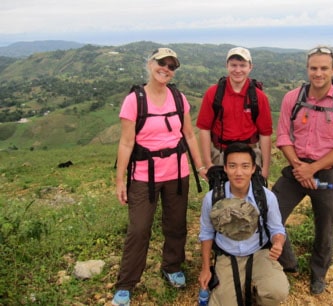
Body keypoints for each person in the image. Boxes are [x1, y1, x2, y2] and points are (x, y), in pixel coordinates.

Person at [112, 48, 208, 305]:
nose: (165, 68)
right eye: (161, 63)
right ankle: (126, 283)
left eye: (171, 65)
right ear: (150, 64)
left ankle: (172, 266)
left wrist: (199, 167)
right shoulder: (134, 99)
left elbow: (189, 135)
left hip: (178, 172)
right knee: (139, 229)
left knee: (176, 224)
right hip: (144, 175)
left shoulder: (178, 98)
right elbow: (125, 142)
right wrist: (120, 180)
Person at [272, 46, 333, 295]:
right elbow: (282, 136)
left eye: (323, 68)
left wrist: (313, 169)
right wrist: (300, 168)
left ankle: (318, 274)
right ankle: (288, 263)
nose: (318, 73)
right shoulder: (293, 98)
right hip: (296, 168)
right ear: (307, 69)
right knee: (270, 213)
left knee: (324, 227)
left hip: (326, 172)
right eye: (313, 68)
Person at [198, 143, 289, 306]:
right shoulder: (212, 198)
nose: (239, 173)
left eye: (245, 166)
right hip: (227, 253)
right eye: (232, 166)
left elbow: (277, 228)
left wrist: (278, 242)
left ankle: (257, 294)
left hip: (259, 252)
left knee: (277, 291)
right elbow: (206, 233)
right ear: (225, 168)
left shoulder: (266, 197)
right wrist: (206, 268)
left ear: (253, 168)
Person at [196, 47, 273, 181]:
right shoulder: (213, 93)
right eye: (233, 65)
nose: (238, 70)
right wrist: (208, 164)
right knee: (220, 197)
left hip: (250, 153)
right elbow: (204, 129)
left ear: (250, 67)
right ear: (227, 66)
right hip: (220, 153)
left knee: (250, 198)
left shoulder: (259, 97)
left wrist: (265, 169)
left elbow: (265, 134)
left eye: (242, 65)